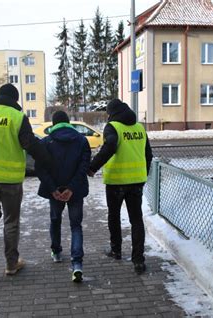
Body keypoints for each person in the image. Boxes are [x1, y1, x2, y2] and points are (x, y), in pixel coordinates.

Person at [0, 83, 52, 276]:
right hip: (11, 181)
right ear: (15, 100)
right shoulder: (17, 117)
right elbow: (29, 143)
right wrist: (49, 159)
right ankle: (11, 264)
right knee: (10, 221)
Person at [88, 98, 153, 275]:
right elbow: (149, 154)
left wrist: (93, 167)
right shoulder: (140, 127)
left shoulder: (113, 127)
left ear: (111, 113)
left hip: (116, 181)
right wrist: (143, 174)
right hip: (136, 182)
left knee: (114, 216)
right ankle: (138, 260)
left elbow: (109, 147)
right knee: (136, 220)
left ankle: (116, 250)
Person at [35, 111, 91, 283]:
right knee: (76, 226)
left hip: (56, 192)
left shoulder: (46, 142)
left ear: (54, 123)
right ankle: (77, 265)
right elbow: (84, 166)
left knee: (55, 220)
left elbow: (40, 168)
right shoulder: (82, 141)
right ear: (68, 123)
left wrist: (53, 190)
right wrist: (72, 188)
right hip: (76, 191)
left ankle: (57, 252)